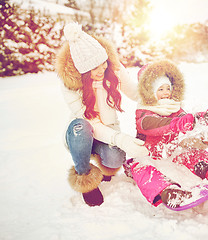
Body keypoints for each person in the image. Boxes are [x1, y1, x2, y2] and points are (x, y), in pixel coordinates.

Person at [123, 60, 208, 208]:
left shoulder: (174, 107)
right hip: (148, 155)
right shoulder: (143, 113)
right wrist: (178, 124)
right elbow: (155, 126)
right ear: (150, 92)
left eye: (168, 88)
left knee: (192, 154)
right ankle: (169, 192)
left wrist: (204, 117)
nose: (166, 92)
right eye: (160, 89)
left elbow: (187, 120)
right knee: (143, 169)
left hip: (172, 153)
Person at [55, 23, 149, 207]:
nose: (101, 69)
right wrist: (121, 139)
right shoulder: (70, 85)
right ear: (82, 70)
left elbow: (134, 92)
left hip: (108, 130)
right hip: (81, 133)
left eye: (103, 63)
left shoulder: (111, 69)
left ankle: (105, 166)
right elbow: (92, 122)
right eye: (93, 67)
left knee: (115, 159)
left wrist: (156, 95)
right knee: (82, 127)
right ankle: (85, 177)